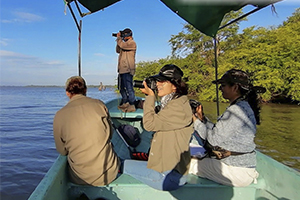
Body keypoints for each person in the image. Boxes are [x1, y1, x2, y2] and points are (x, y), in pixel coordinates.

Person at [122, 64, 194, 191]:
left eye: (163, 82)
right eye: (158, 81)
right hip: (165, 169)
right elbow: (159, 111)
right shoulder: (175, 101)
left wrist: (150, 96)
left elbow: (149, 124)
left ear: (174, 85)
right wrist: (138, 103)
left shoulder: (177, 106)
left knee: (120, 165)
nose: (158, 85)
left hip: (168, 176)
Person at [189, 69, 263, 187]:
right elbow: (219, 132)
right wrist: (202, 118)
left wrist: (194, 119)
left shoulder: (236, 110)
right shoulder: (241, 106)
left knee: (183, 162)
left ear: (235, 88)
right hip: (241, 168)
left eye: (223, 85)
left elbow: (213, 139)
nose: (220, 89)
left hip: (236, 171)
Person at [53, 76, 120, 186]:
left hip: (79, 178)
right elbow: (110, 135)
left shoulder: (59, 115)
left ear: (67, 93)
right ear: (85, 90)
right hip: (109, 174)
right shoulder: (100, 105)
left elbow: (62, 151)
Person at [116, 28, 137, 112]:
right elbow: (118, 50)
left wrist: (119, 38)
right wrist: (119, 39)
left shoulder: (132, 43)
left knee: (129, 88)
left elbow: (122, 46)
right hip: (121, 69)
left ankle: (132, 104)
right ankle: (125, 102)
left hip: (128, 69)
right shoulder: (123, 44)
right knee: (120, 87)